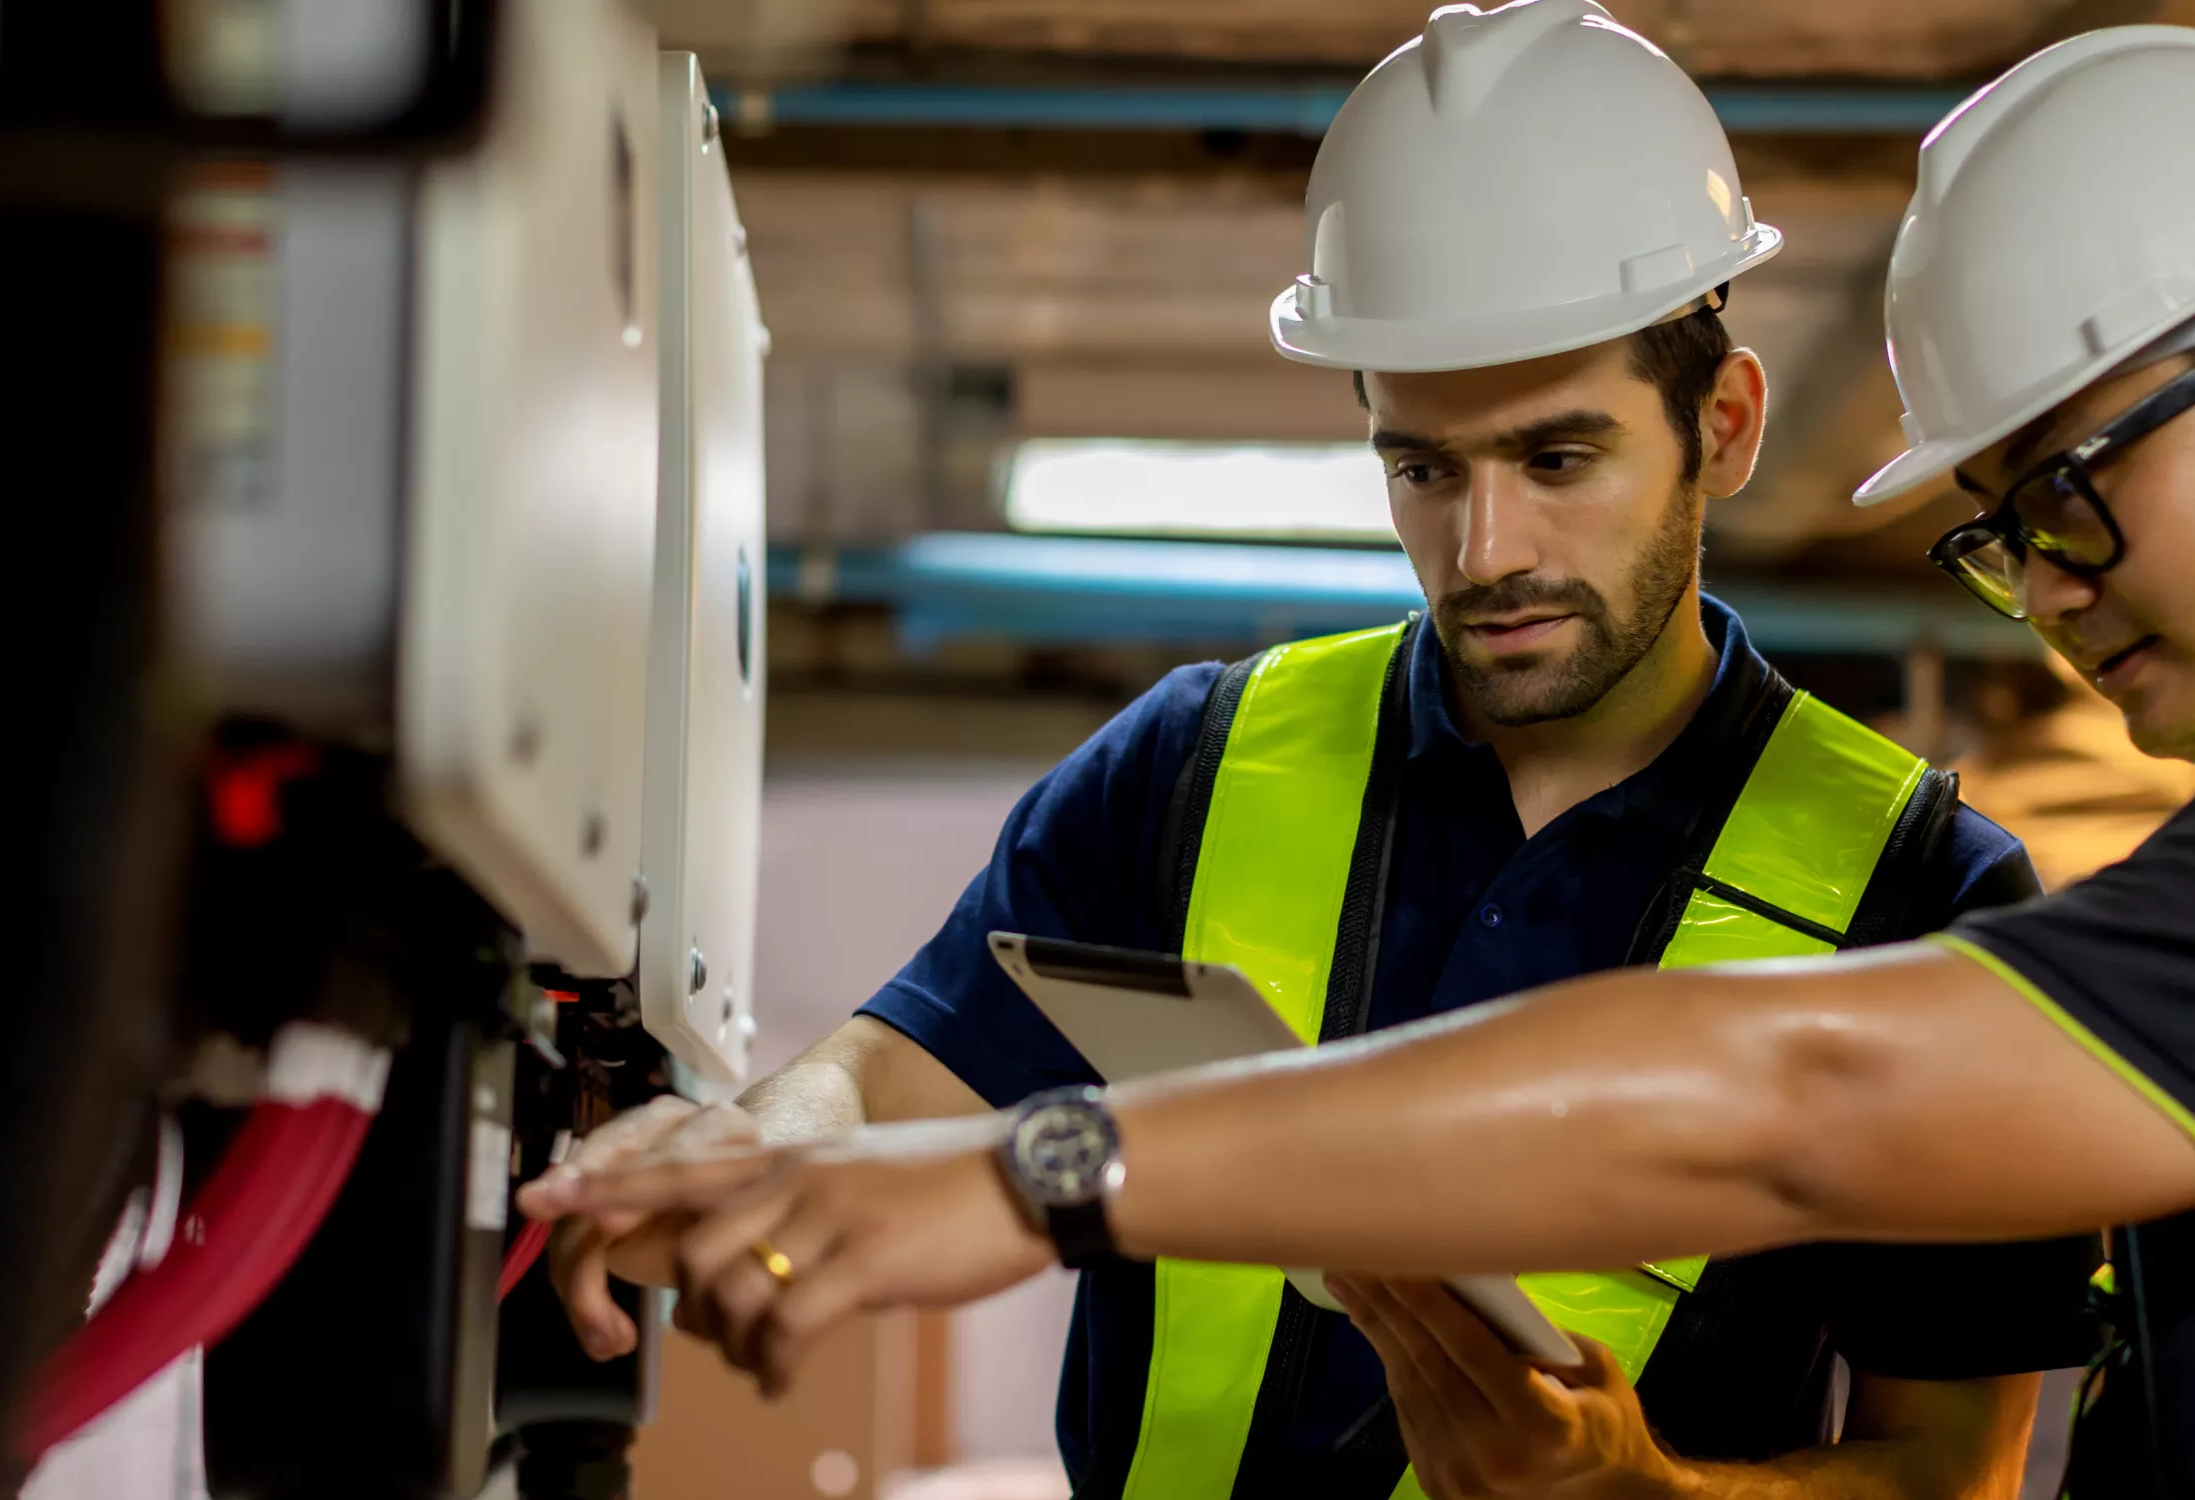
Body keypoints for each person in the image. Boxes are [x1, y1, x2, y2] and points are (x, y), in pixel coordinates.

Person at [523, 24, 2195, 1500]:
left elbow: (1792, 1104)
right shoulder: (1207, 760)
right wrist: (773, 1138)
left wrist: (1036, 1179)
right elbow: (907, 1057)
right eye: (2002, 537)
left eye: (2068, 497)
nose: (2059, 592)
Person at [536, 3, 2100, 1495]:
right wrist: (748, 1161)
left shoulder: (1927, 896)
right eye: (1423, 466)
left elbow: (1950, 1471)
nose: (1486, 551)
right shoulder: (1190, 768)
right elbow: (885, 1082)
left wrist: (1645, 1498)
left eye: (1560, 459)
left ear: (1731, 426)